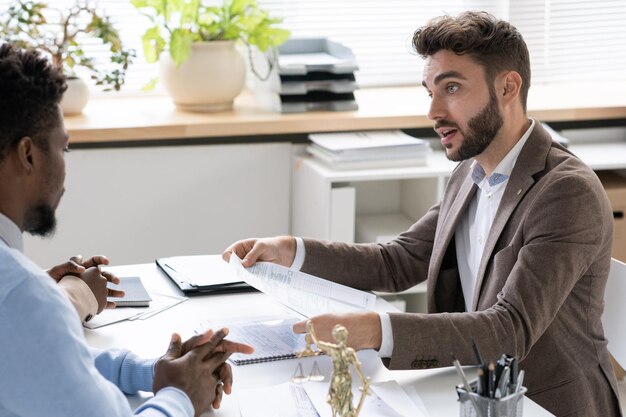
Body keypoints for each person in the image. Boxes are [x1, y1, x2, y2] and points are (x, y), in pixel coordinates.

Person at [224, 11, 622, 417]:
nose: (433, 111)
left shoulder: (565, 192)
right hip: (469, 389)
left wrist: (374, 330)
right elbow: (398, 261)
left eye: (451, 87)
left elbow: (509, 330)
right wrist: (291, 251)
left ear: (508, 86)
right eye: (429, 91)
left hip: (541, 403)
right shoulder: (470, 171)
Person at [0, 43, 253, 417]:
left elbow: (39, 361)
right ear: (28, 155)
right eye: (63, 149)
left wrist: (154, 372)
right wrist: (181, 396)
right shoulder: (23, 299)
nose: (66, 168)